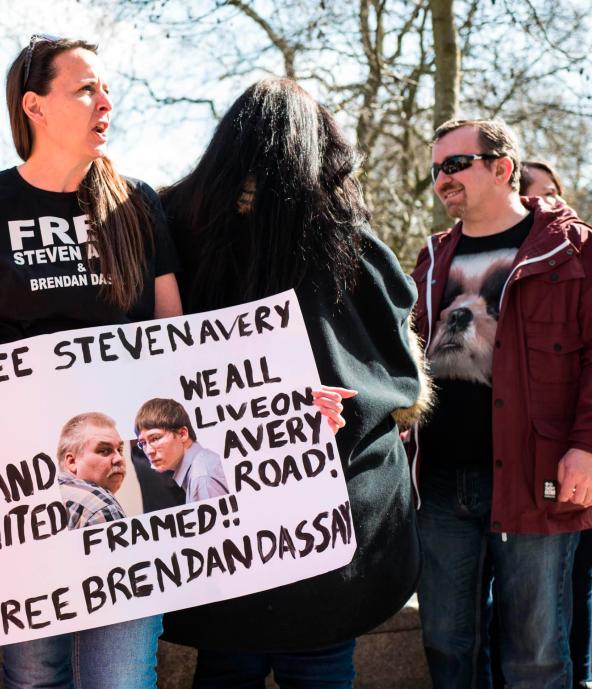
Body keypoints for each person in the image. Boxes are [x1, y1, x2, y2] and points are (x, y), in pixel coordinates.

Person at [0, 35, 182, 689]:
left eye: (106, 89)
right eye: (86, 89)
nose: (106, 103)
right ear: (34, 106)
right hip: (17, 489)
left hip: (131, 491)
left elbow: (180, 339)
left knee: (122, 678)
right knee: (35, 677)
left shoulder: (140, 206)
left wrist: (278, 400)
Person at [158, 78, 428, 689]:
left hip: (216, 523)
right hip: (329, 528)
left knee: (227, 664)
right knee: (322, 666)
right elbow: (397, 376)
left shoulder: (175, 232)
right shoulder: (349, 246)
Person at [413, 118, 592, 689]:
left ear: (502, 167)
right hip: (438, 482)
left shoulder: (572, 251)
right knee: (446, 645)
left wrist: (586, 447)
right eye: (436, 168)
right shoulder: (432, 256)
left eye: (454, 165)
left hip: (534, 476)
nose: (442, 180)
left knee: (535, 657)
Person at [133, 398, 228, 503]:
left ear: (182, 434)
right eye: (143, 443)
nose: (149, 451)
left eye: (155, 438)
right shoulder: (200, 465)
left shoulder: (201, 478)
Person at [56, 412, 129, 528]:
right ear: (72, 462)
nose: (119, 458)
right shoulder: (101, 506)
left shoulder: (49, 499)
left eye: (120, 450)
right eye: (105, 450)